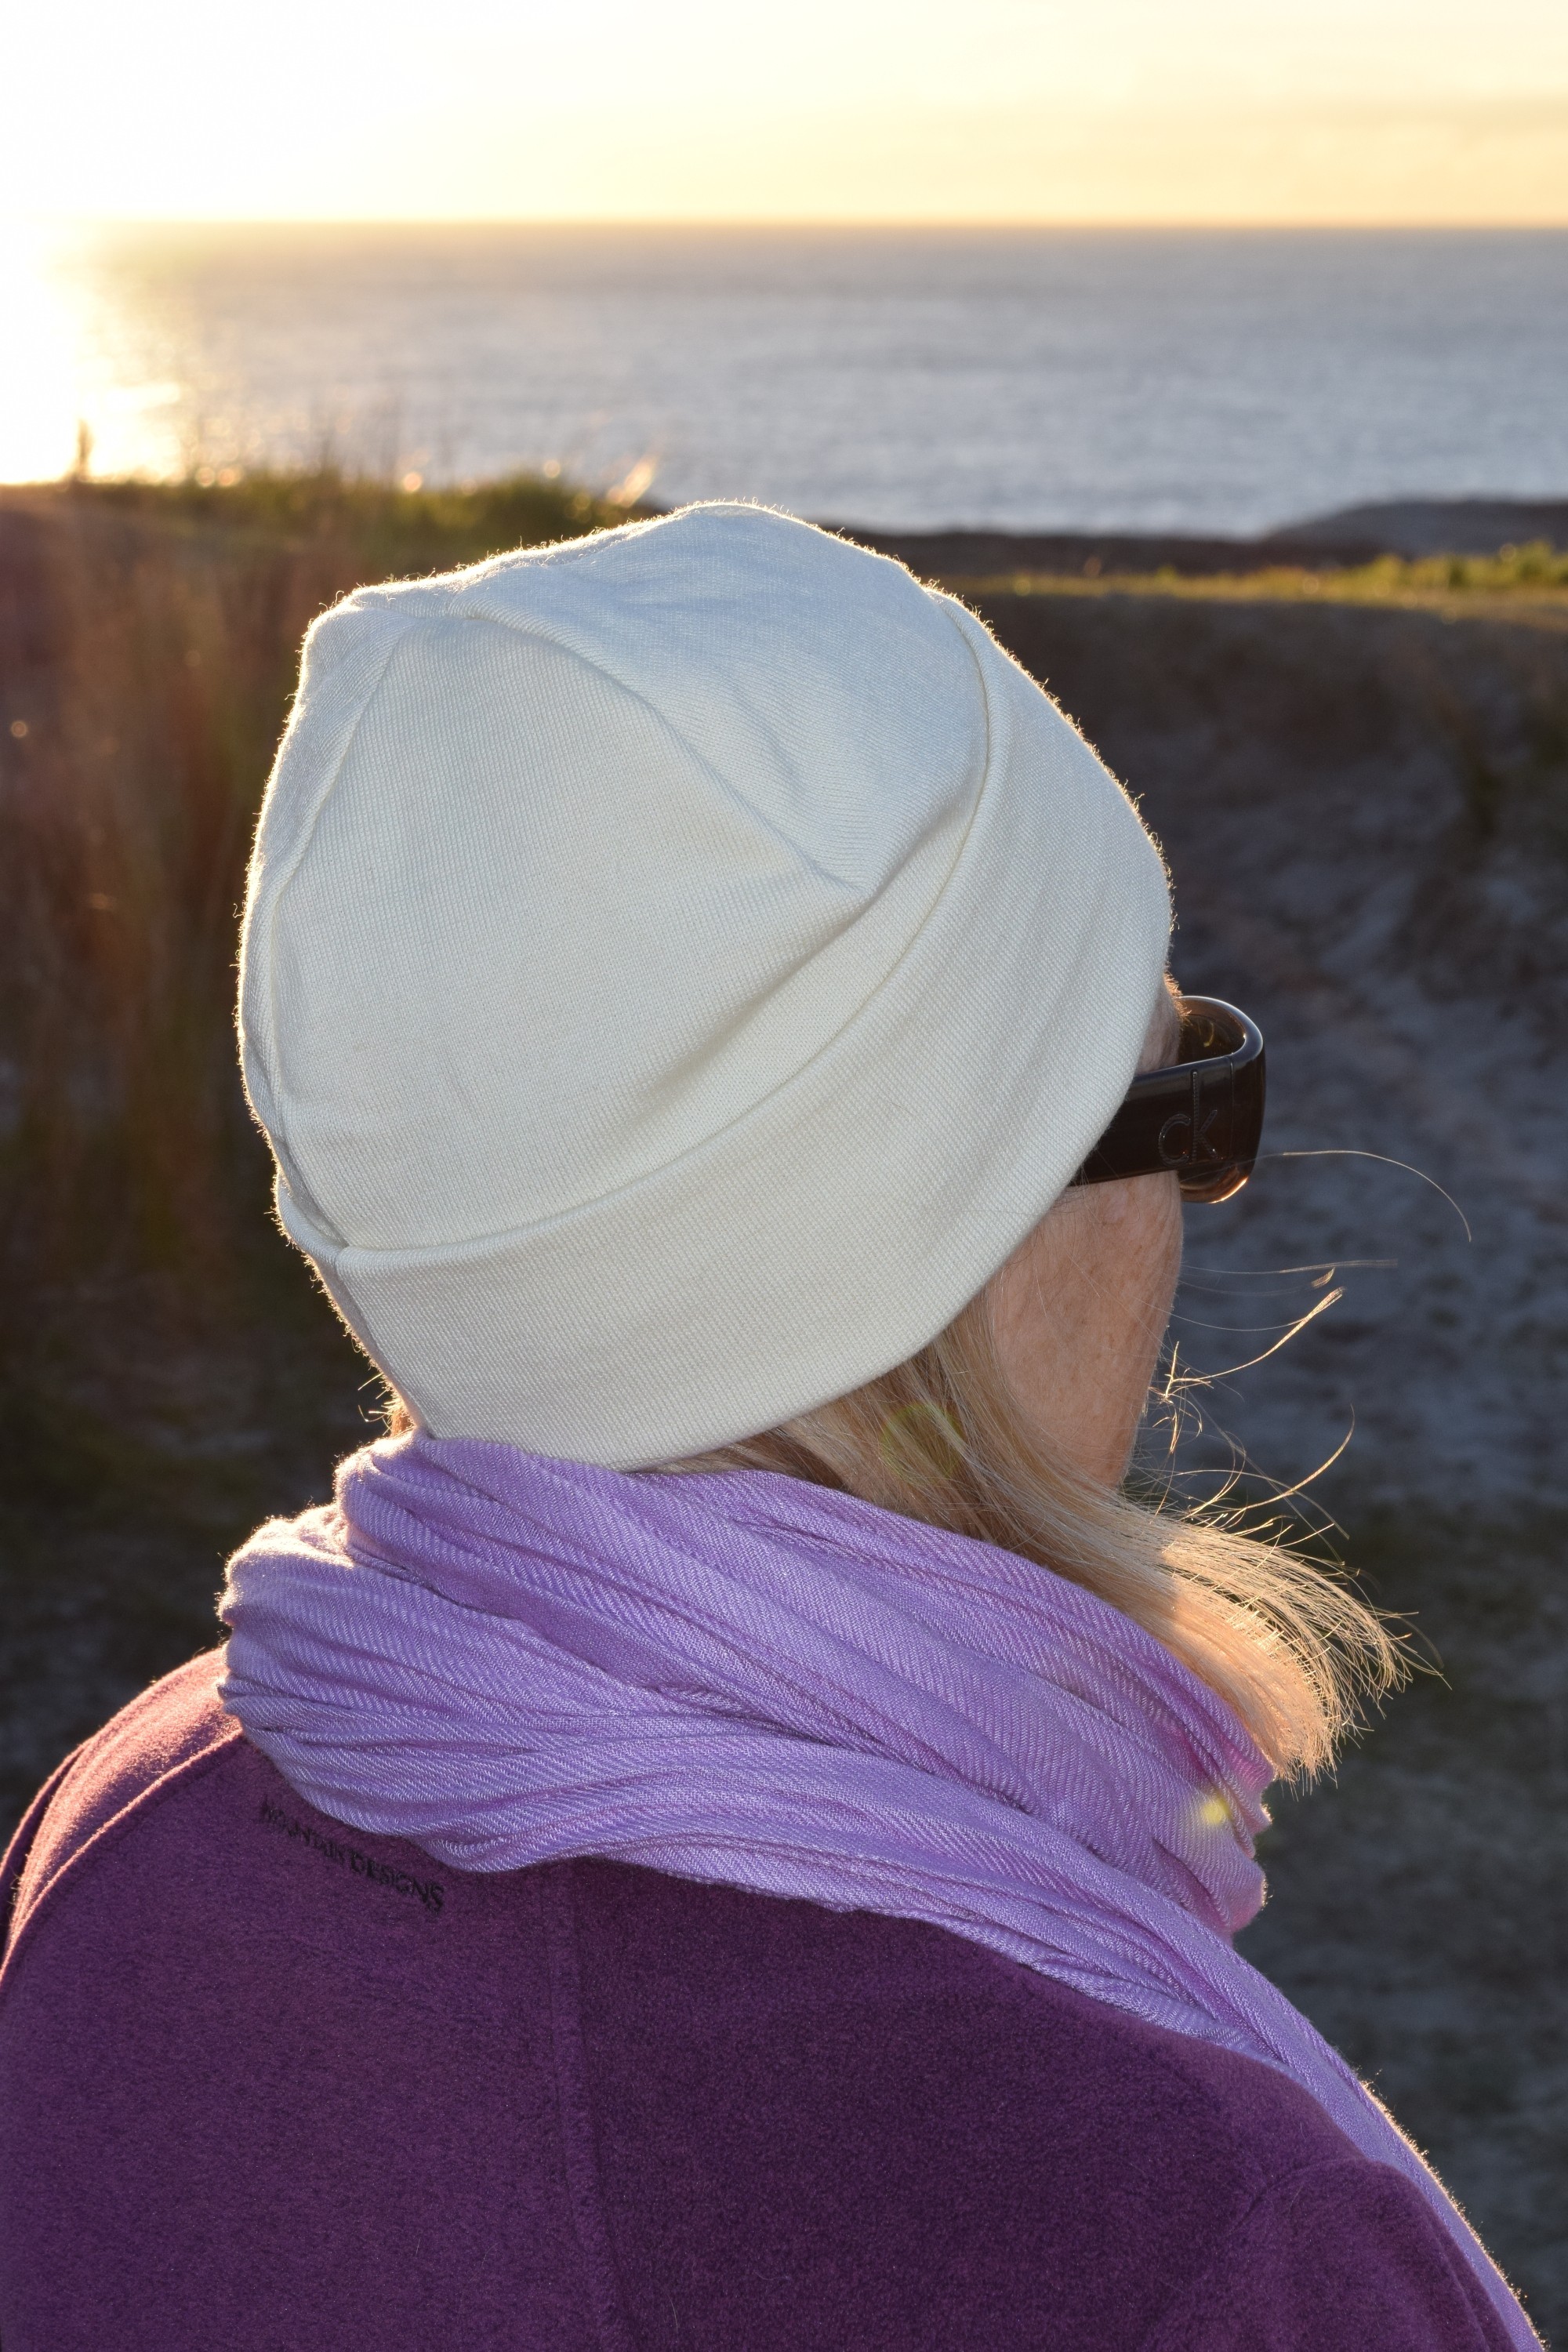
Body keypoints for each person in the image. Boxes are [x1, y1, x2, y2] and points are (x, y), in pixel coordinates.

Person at [0, 505, 1538, 2350]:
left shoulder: (129, 1833)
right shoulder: (1194, 2237)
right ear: (953, 1239)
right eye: (1180, 1088)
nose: (1205, 1207)